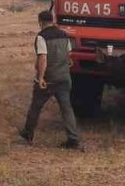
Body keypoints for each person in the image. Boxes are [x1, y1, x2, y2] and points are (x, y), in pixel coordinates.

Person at [18, 10, 81, 149]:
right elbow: (69, 53)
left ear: (40, 22)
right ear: (52, 20)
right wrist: (67, 62)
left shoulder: (42, 37)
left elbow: (43, 58)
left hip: (50, 79)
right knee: (66, 108)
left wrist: (40, 78)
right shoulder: (64, 34)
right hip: (64, 77)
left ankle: (27, 135)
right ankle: (73, 139)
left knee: (36, 106)